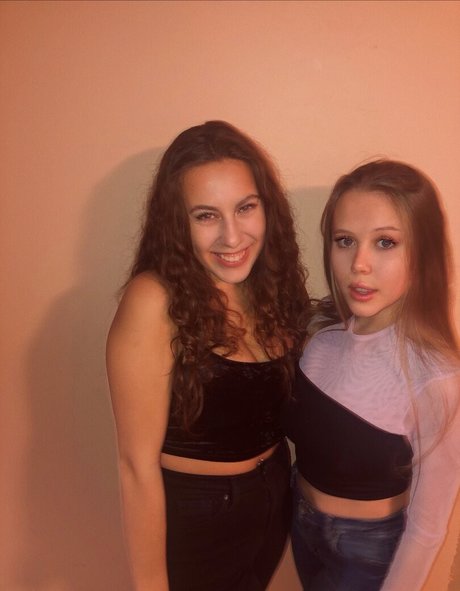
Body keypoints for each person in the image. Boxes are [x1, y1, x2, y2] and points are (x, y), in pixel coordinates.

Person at [106, 120, 311, 591]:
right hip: (199, 523)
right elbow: (135, 467)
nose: (232, 237)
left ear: (267, 207)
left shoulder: (268, 287)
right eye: (206, 216)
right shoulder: (154, 300)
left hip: (272, 503)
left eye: (245, 208)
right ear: (177, 223)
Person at [284, 159, 460, 590]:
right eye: (345, 240)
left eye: (385, 242)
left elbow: (427, 527)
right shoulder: (320, 337)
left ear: (422, 253)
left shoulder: (435, 377)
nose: (359, 264)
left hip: (367, 552)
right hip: (300, 524)